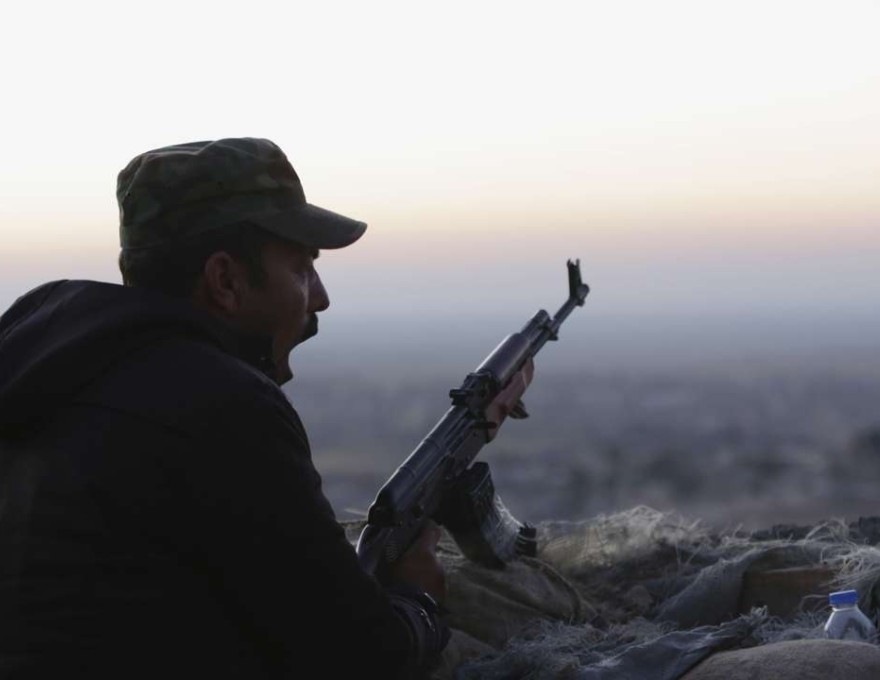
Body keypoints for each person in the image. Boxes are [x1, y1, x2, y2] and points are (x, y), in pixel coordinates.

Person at [0, 138, 533, 678]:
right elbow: (362, 657)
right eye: (302, 269)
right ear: (226, 280)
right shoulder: (220, 403)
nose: (320, 297)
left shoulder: (43, 363)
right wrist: (417, 596)